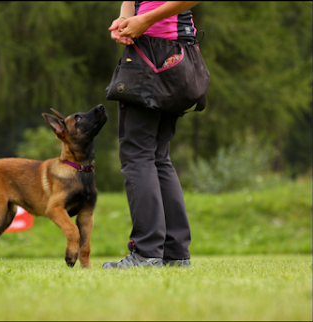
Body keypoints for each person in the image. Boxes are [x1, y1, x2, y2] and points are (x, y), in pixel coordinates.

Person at [103, 1, 201, 269]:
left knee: (138, 153)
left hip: (154, 53)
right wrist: (125, 20)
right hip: (179, 56)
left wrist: (145, 20)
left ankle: (146, 253)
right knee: (157, 155)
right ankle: (175, 253)